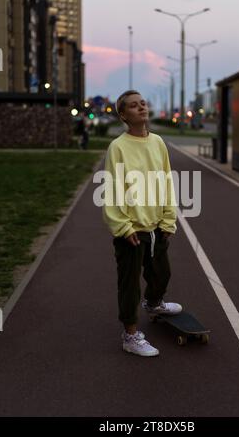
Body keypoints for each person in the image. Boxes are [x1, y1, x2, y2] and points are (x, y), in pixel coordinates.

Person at [102, 90, 182, 357]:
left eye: (143, 103)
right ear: (123, 115)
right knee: (130, 284)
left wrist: (169, 219)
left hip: (157, 225)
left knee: (162, 273)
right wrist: (123, 227)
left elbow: (167, 181)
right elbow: (113, 188)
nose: (141, 108)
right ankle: (131, 335)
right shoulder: (119, 147)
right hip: (132, 230)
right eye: (134, 106)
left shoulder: (158, 142)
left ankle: (154, 302)